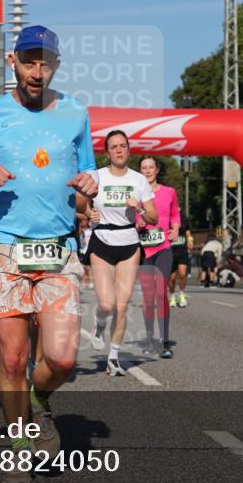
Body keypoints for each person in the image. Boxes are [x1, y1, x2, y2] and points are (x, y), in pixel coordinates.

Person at [0, 25, 98, 483]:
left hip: (58, 247)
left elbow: (89, 168)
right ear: (12, 61)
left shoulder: (75, 112)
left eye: (45, 62)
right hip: (5, 244)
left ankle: (37, 400)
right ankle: (17, 449)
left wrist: (90, 183)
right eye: (29, 61)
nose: (37, 71)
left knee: (64, 357)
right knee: (11, 358)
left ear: (56, 64)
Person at [87, 130, 157, 376]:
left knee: (123, 304)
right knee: (107, 303)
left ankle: (113, 357)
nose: (118, 150)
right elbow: (80, 203)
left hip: (129, 242)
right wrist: (87, 213)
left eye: (123, 146)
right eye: (113, 146)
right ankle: (99, 323)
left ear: (129, 150)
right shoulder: (97, 176)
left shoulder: (139, 180)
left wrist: (138, 207)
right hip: (103, 239)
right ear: (107, 152)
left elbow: (153, 217)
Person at [135, 157, 180, 358]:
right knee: (148, 297)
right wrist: (138, 225)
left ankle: (163, 342)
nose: (147, 171)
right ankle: (149, 338)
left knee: (161, 293)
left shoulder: (169, 192)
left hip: (163, 247)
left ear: (157, 169)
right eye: (144, 168)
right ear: (140, 171)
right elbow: (131, 219)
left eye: (151, 167)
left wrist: (176, 229)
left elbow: (175, 215)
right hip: (145, 249)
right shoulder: (135, 194)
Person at [168, 215, 193, 308]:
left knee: (182, 273)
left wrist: (190, 240)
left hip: (182, 250)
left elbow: (187, 231)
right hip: (170, 251)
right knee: (172, 278)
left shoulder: (183, 217)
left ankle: (182, 294)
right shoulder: (165, 215)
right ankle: (172, 296)